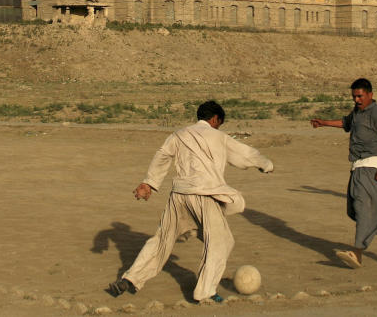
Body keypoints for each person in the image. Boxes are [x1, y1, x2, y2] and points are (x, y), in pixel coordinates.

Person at [107, 100, 274, 303]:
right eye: (219, 123)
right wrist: (266, 165)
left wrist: (149, 183)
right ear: (215, 119)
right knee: (221, 242)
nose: (218, 126)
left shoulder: (179, 134)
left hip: (178, 196)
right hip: (205, 194)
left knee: (161, 240)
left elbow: (162, 156)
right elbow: (246, 155)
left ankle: (131, 279)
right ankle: (205, 292)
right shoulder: (219, 137)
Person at [311, 78, 377, 268]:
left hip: (371, 168)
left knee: (363, 208)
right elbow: (347, 123)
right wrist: (324, 123)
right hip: (357, 167)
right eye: (354, 96)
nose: (357, 100)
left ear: (370, 95)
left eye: (360, 96)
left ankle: (357, 252)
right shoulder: (358, 112)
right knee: (355, 209)